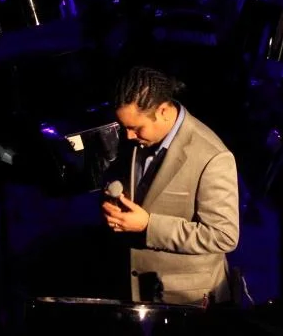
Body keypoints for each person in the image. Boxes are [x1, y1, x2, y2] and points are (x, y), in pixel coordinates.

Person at [101, 66, 240, 305]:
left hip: (184, 300)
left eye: (136, 128)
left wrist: (148, 225)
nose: (129, 137)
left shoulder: (213, 156)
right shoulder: (136, 137)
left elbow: (224, 236)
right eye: (125, 128)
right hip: (133, 288)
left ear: (164, 111)